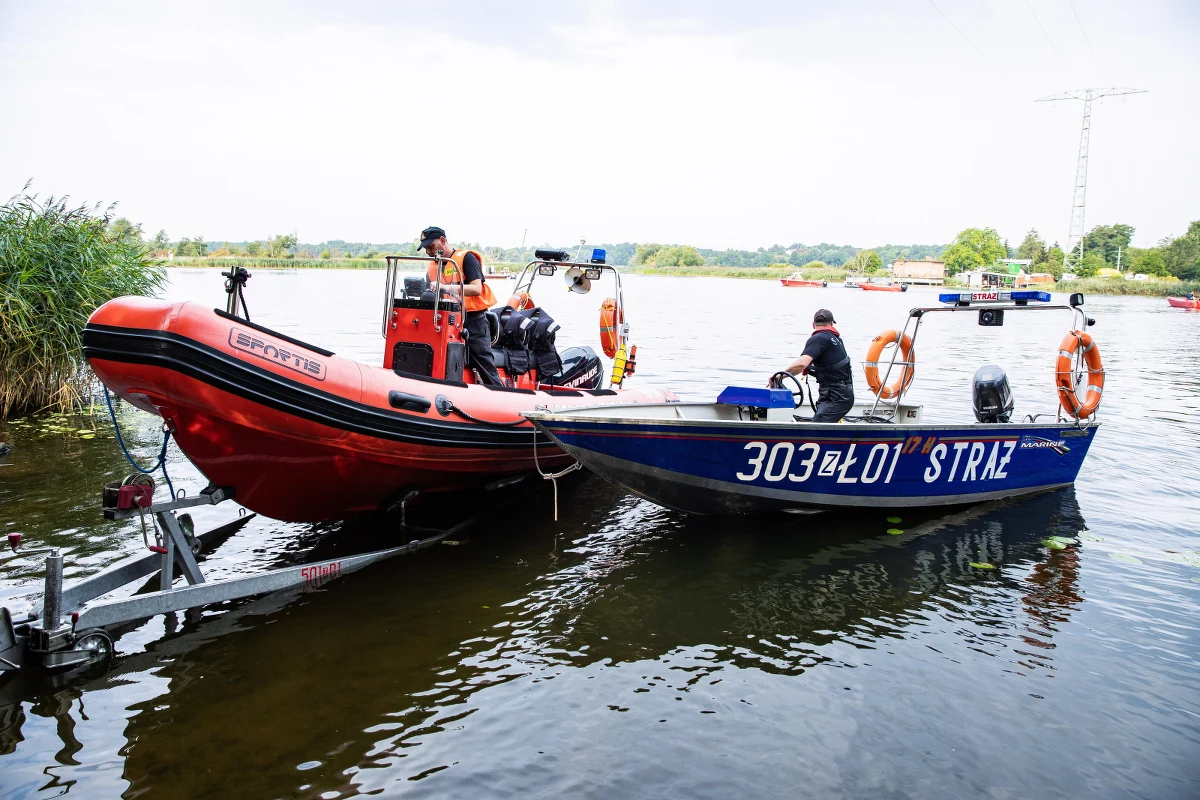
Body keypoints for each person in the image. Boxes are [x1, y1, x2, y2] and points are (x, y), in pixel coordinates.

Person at [418, 226, 502, 385]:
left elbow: (476, 288)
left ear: (442, 241)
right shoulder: (432, 267)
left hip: (473, 321)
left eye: (431, 246)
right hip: (445, 322)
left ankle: (501, 396)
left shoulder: (467, 258)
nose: (428, 252)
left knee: (485, 367)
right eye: (426, 248)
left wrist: (445, 287)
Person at [772, 308, 854, 422]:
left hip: (836, 396)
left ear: (813, 324)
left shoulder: (818, 338)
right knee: (821, 423)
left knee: (816, 430)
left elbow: (801, 364)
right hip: (840, 393)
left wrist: (779, 376)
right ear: (831, 324)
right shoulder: (835, 339)